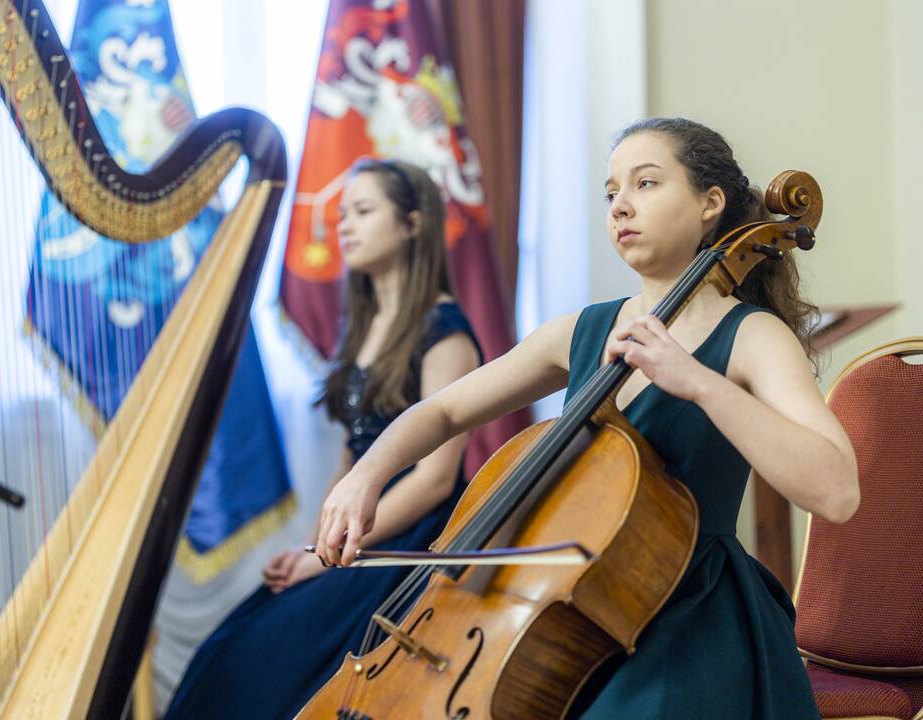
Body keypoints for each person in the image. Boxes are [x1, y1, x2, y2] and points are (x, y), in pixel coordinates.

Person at [316, 118, 860, 719]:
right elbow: (443, 409)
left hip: (688, 624)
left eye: (646, 184)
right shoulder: (583, 330)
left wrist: (699, 382)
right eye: (610, 193)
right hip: (569, 618)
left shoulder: (752, 336)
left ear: (710, 204)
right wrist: (364, 475)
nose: (621, 206)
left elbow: (836, 490)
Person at [164, 158, 482, 719]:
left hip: (408, 541)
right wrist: (313, 550)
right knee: (227, 652)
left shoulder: (445, 330)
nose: (345, 227)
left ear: (412, 224)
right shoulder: (362, 325)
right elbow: (350, 456)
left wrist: (331, 557)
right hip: (355, 540)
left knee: (265, 661)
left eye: (362, 211)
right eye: (341, 216)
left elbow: (433, 482)